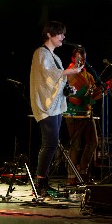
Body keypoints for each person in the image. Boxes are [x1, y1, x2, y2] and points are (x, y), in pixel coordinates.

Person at [29, 21, 83, 198]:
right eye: (60, 33)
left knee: (52, 144)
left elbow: (57, 80)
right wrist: (70, 72)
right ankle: (40, 184)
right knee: (50, 144)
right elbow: (48, 73)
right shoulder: (40, 53)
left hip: (56, 106)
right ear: (49, 35)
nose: (63, 37)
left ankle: (42, 182)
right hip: (45, 105)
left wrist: (68, 89)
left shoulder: (57, 58)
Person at [64, 47, 103, 186]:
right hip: (73, 113)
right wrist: (69, 98)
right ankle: (71, 176)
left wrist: (105, 90)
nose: (82, 61)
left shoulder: (88, 75)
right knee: (75, 144)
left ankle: (83, 172)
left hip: (87, 112)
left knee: (93, 142)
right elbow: (62, 91)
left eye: (84, 58)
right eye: (79, 58)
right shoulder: (69, 73)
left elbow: (93, 96)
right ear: (73, 59)